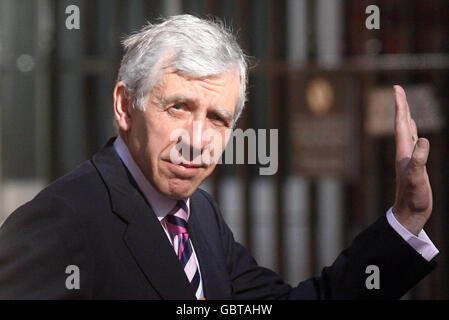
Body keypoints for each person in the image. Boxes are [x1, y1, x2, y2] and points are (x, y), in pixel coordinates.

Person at [0, 15, 438, 299]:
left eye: (217, 119)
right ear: (124, 106)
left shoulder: (199, 216)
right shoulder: (60, 222)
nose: (196, 139)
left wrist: (405, 219)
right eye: (178, 107)